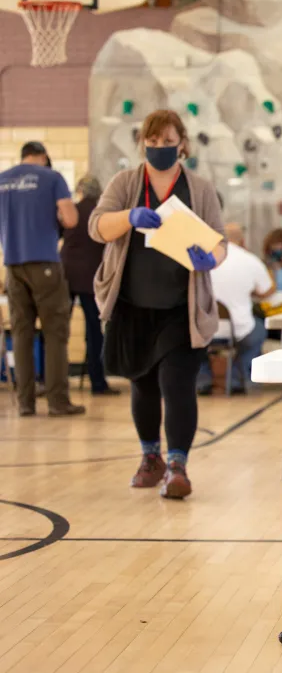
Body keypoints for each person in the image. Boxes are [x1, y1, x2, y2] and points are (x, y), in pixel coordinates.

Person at [89, 109, 226, 500]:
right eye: (154, 143)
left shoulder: (199, 188)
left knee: (177, 383)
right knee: (143, 384)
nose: (162, 149)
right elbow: (96, 227)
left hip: (180, 308)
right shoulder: (126, 182)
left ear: (182, 143)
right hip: (132, 305)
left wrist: (210, 259)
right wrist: (129, 217)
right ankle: (151, 458)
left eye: (169, 142)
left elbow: (219, 242)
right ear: (142, 144)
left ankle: (178, 464)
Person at [0, 141, 85, 417]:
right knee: (55, 334)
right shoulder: (52, 178)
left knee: (22, 334)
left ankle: (25, 403)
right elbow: (71, 219)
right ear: (44, 157)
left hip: (13, 265)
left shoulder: (3, 180)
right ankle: (58, 401)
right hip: (45, 263)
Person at [198, 222, 275, 395]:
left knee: (195, 344)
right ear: (242, 241)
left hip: (204, 329)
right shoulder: (250, 260)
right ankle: (239, 378)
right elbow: (267, 290)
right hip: (239, 330)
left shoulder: (202, 259)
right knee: (258, 331)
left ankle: (202, 380)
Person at [61, 174, 119, 396]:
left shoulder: (71, 211)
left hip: (65, 276)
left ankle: (52, 382)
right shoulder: (102, 215)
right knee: (95, 333)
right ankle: (98, 383)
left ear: (80, 190)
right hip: (91, 280)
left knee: (58, 331)